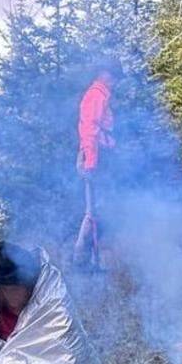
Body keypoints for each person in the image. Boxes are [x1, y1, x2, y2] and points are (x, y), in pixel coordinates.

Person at [74, 60, 121, 268]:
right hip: (95, 158)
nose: (115, 81)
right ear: (104, 74)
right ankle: (83, 262)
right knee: (93, 211)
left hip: (98, 156)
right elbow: (89, 131)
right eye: (113, 75)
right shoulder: (96, 95)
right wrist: (91, 163)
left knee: (98, 209)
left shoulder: (101, 95)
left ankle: (91, 260)